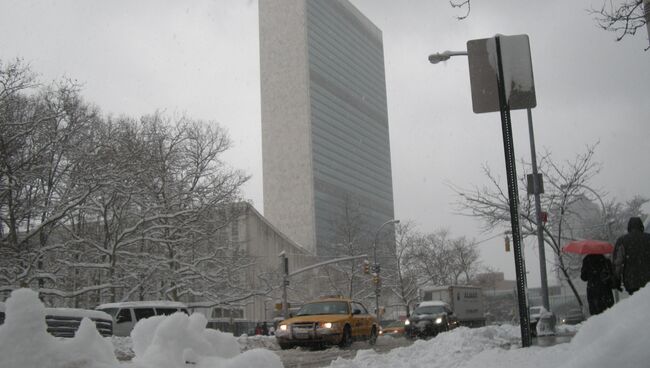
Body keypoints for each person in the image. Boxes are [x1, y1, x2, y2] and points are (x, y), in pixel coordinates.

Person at [614, 217, 650, 295]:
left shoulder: (622, 241)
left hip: (631, 280)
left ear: (629, 226)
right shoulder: (648, 238)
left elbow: (618, 263)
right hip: (648, 280)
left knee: (635, 304)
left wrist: (617, 280)